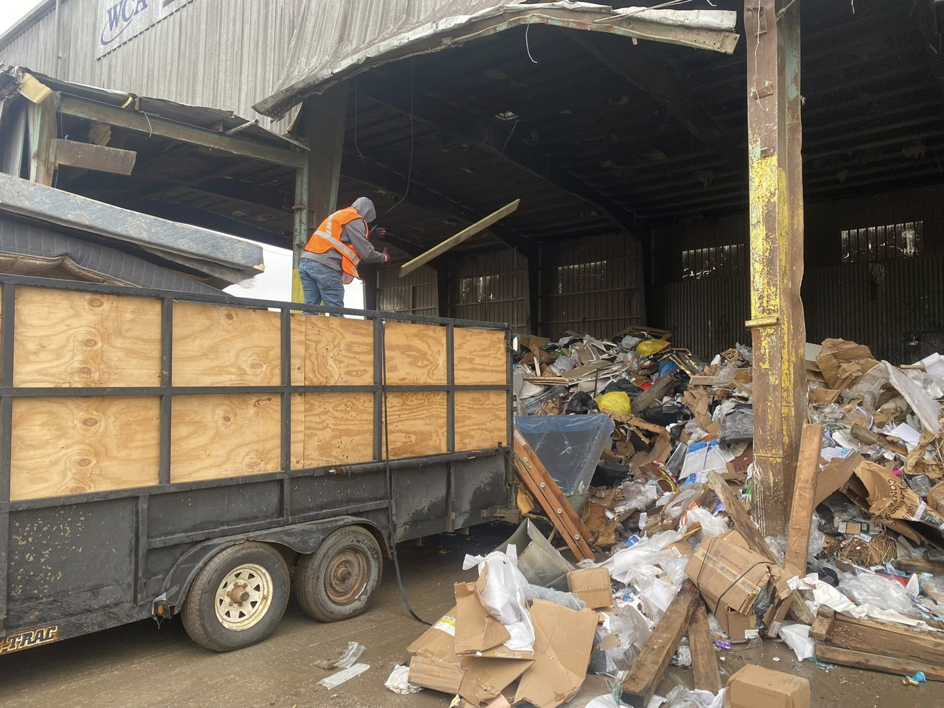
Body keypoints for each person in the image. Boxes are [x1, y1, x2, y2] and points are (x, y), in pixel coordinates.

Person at [299, 197, 389, 310]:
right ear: (367, 213)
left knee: (310, 309)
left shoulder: (341, 215)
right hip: (325, 266)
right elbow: (367, 254)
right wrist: (384, 258)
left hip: (306, 263)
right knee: (335, 311)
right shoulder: (355, 219)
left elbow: (341, 240)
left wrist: (369, 236)